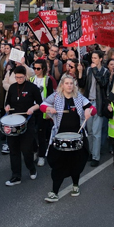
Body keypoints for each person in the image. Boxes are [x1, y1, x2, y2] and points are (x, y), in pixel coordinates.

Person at [40, 74, 93, 202]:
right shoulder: (56, 96)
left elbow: (91, 107)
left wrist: (89, 111)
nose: (69, 85)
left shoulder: (79, 97)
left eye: (71, 83)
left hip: (77, 136)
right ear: (62, 85)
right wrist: (49, 108)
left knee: (76, 162)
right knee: (58, 164)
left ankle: (75, 185)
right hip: (60, 137)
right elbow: (42, 106)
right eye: (67, 83)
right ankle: (54, 191)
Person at [3, 66, 42, 186]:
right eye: (16, 77)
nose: (19, 79)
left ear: (25, 76)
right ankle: (16, 176)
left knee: (26, 149)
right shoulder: (13, 87)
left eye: (21, 77)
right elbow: (7, 102)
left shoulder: (32, 87)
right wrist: (7, 107)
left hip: (27, 121)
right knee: (14, 150)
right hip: (13, 122)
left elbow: (40, 103)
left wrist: (32, 108)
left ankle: (31, 168)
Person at [77, 51, 109, 167]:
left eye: (95, 58)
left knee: (96, 132)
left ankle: (96, 156)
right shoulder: (88, 70)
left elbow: (103, 83)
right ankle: (90, 153)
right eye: (92, 58)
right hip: (88, 103)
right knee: (89, 131)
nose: (93, 60)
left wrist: (95, 70)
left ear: (100, 59)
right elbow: (82, 84)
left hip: (98, 103)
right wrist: (80, 72)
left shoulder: (105, 71)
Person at [30, 60, 55, 167]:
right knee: (30, 133)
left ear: (43, 69)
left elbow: (50, 96)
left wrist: (49, 110)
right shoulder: (31, 79)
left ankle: (41, 156)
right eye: (34, 68)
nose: (36, 70)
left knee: (41, 133)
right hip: (32, 108)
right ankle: (35, 149)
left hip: (43, 110)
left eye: (38, 68)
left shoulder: (47, 80)